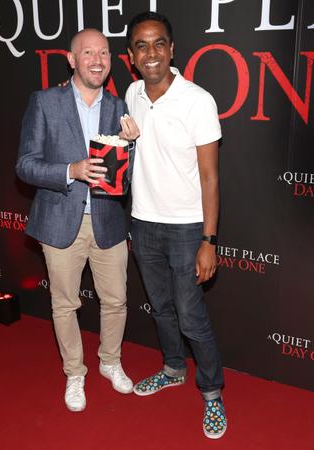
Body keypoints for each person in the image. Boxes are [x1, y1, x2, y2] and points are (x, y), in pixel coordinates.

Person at [16, 29, 139, 412]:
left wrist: (132, 146)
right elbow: (25, 165)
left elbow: (127, 175)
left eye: (103, 52)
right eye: (88, 52)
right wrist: (70, 169)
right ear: (72, 59)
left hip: (108, 222)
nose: (97, 60)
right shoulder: (44, 102)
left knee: (116, 300)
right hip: (60, 221)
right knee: (65, 305)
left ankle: (110, 362)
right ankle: (74, 373)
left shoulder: (119, 107)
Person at [125, 12, 227, 439]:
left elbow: (210, 177)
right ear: (131, 57)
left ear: (172, 49)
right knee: (161, 309)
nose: (151, 53)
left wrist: (209, 239)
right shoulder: (131, 93)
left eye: (158, 44)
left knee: (191, 316)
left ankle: (212, 393)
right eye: (142, 46)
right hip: (143, 223)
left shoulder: (197, 100)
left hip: (187, 229)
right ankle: (171, 368)